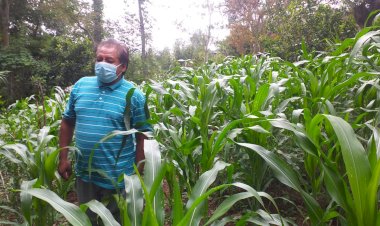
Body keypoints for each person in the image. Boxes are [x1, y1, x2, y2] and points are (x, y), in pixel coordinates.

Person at [58, 38, 151, 225]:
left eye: (109, 61)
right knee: (87, 221)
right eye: (99, 59)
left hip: (118, 178)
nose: (102, 64)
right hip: (85, 174)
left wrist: (138, 171)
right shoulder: (81, 86)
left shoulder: (134, 96)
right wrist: (63, 157)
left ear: (122, 67)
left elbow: (143, 135)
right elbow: (67, 122)